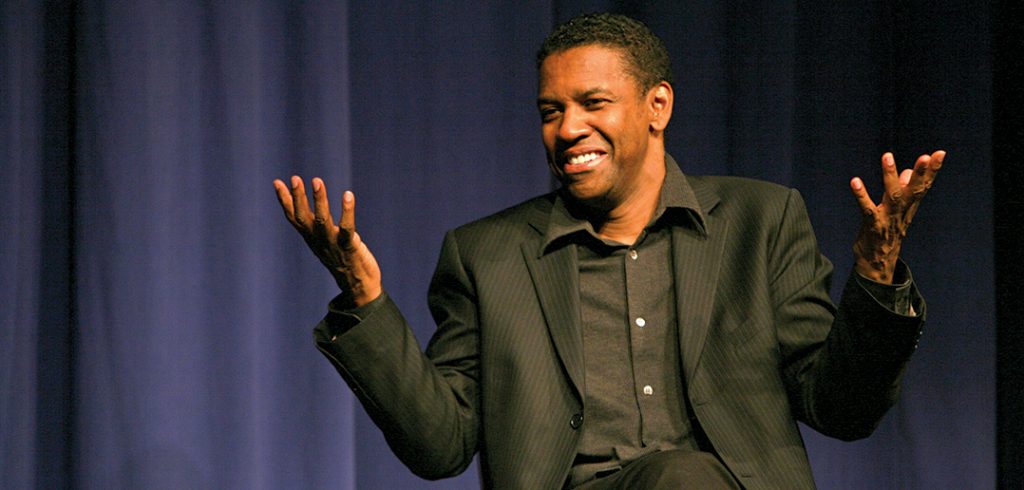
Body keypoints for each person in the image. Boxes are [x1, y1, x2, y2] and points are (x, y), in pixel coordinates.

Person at [273, 13, 944, 490]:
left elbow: (842, 409)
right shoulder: (489, 256)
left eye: (592, 103)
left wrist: (877, 277)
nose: (568, 129)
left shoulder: (759, 223)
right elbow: (440, 445)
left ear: (657, 106)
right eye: (549, 111)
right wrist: (366, 304)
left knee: (686, 478)